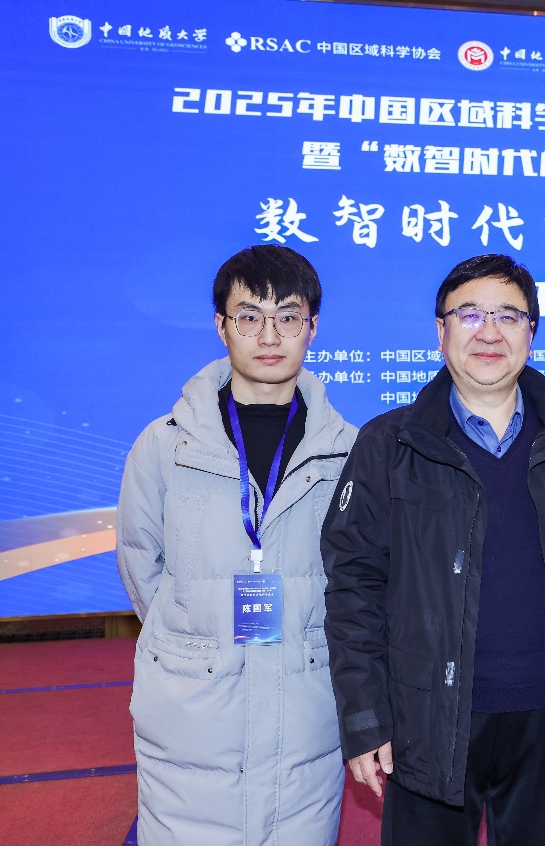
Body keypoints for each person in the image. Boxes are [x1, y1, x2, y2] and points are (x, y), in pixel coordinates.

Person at [322, 253, 545, 846]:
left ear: (531, 333)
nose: (489, 332)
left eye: (508, 316)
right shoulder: (389, 445)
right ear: (440, 331)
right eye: (469, 315)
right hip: (425, 717)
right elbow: (353, 590)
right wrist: (365, 719)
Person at [116, 245, 356, 845]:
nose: (269, 336)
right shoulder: (165, 445)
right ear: (221, 325)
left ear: (313, 327)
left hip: (305, 706)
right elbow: (142, 566)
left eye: (288, 317)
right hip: (192, 708)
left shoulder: (349, 451)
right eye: (250, 316)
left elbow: (360, 579)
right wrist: (196, 635)